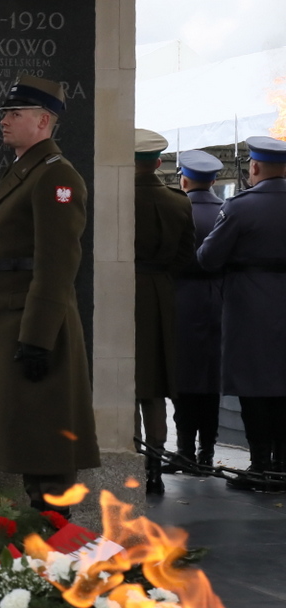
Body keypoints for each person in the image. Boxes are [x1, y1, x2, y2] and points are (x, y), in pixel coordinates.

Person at [0, 74, 100, 512]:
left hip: (35, 324)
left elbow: (57, 264)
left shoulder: (56, 178)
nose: (4, 120)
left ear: (43, 121)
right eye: (5, 113)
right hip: (10, 318)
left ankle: (55, 541)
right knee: (27, 434)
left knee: (44, 440)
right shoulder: (27, 170)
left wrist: (37, 337)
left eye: (15, 113)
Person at [198, 136, 286, 491]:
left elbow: (208, 258)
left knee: (254, 386)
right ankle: (282, 464)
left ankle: (260, 463)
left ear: (254, 167)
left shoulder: (239, 207)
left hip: (250, 307)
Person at [133, 129, 194, 494]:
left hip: (121, 293)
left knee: (123, 380)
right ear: (158, 163)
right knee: (153, 385)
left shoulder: (113, 197)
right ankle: (155, 467)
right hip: (160, 294)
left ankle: (130, 457)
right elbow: (186, 254)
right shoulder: (179, 201)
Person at [166, 150, 224, 474]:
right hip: (219, 300)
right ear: (214, 180)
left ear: (183, 179)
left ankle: (184, 449)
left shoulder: (177, 209)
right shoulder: (227, 210)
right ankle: (207, 451)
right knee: (211, 380)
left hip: (181, 299)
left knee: (183, 378)